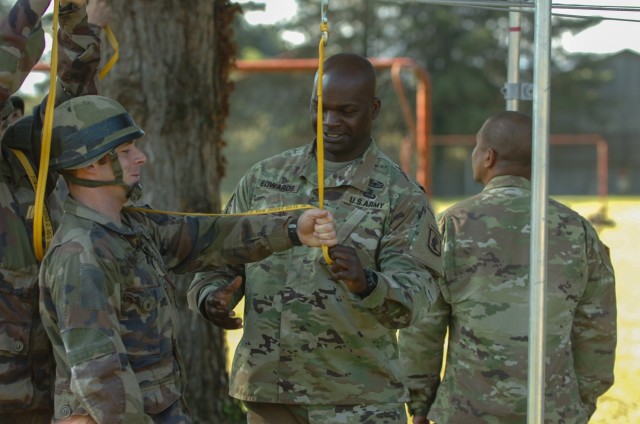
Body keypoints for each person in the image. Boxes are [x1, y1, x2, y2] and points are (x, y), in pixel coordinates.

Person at [38, 94, 337, 423]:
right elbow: (101, 380)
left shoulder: (133, 225)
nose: (141, 158)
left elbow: (209, 236)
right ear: (90, 164)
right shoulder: (82, 255)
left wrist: (292, 228)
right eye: (125, 152)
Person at [188, 52, 443, 423]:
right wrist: (212, 296)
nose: (329, 121)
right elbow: (219, 257)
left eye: (346, 111)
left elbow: (417, 296)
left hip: (357, 400)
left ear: (373, 109)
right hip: (269, 394)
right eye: (319, 107)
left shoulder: (399, 195)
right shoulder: (265, 178)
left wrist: (366, 282)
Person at [399, 111, 617, 423]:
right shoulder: (577, 230)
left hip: (467, 412)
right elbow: (598, 329)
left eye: (476, 147)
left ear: (488, 157)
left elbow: (422, 327)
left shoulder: (451, 225)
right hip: (552, 411)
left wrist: (420, 405)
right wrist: (580, 403)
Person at [0, 1, 111, 422]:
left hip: (36, 386)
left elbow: (72, 100)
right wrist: (31, 6)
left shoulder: (19, 154)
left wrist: (76, 21)